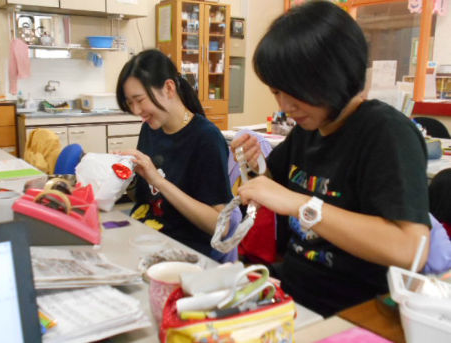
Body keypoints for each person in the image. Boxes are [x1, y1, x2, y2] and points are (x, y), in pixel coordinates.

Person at [231, 1, 430, 317]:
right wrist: (254, 168)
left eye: (294, 91)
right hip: (292, 295)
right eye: (276, 93)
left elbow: (410, 250)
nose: (285, 106)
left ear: (334, 74)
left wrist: (301, 205)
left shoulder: (387, 133)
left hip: (354, 312)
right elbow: (271, 189)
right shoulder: (311, 127)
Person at [115, 49, 235, 261]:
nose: (136, 110)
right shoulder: (150, 129)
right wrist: (121, 177)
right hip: (144, 237)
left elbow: (221, 226)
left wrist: (158, 180)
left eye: (139, 100)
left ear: (169, 88)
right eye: (130, 103)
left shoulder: (206, 138)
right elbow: (146, 197)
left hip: (182, 252)